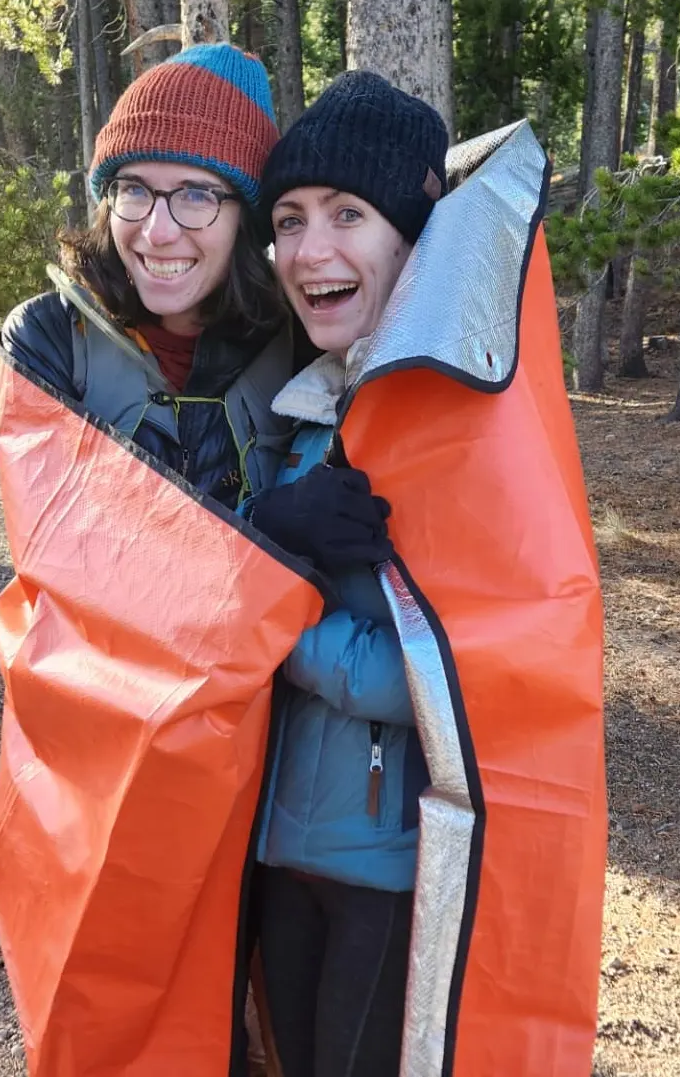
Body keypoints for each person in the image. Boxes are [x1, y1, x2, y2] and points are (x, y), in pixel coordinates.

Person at [243, 70, 450, 1077]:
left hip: (385, 863)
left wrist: (275, 621)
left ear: (410, 236)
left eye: (348, 214)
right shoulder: (305, 404)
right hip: (281, 847)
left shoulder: (456, 423)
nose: (309, 248)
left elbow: (446, 679)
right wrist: (264, 531)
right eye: (288, 217)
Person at [0, 42, 295, 506]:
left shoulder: (297, 347)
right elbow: (57, 540)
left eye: (197, 195)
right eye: (134, 189)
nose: (157, 232)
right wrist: (271, 528)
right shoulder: (50, 338)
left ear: (246, 223)